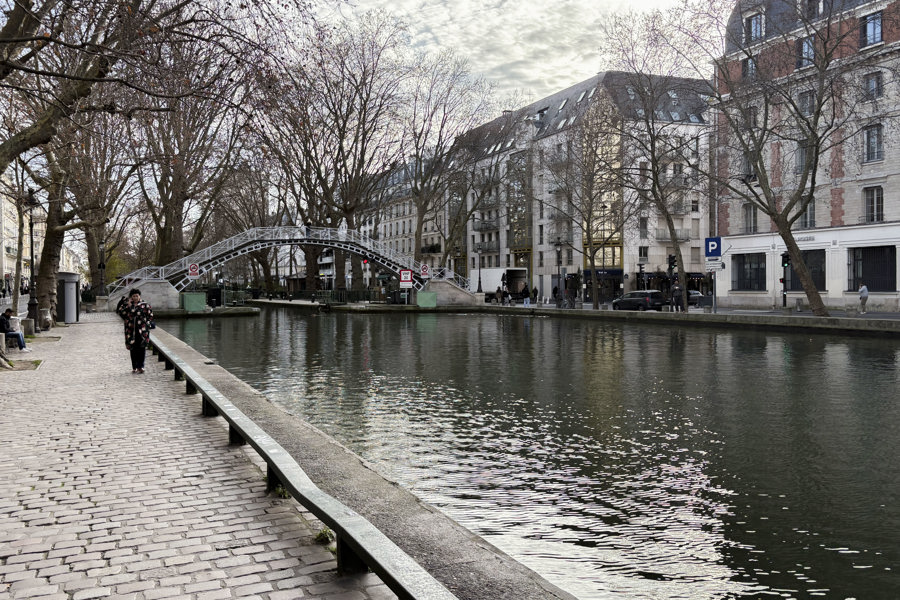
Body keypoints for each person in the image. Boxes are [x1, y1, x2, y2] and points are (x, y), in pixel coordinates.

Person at [116, 288, 154, 374]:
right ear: (131, 297)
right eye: (133, 296)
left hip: (142, 331)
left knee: (142, 348)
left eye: (137, 296)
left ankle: (141, 366)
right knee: (133, 349)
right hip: (131, 330)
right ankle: (135, 367)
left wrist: (147, 324)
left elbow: (150, 315)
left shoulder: (145, 305)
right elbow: (120, 312)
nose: (135, 297)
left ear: (139, 296)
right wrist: (126, 305)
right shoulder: (127, 305)